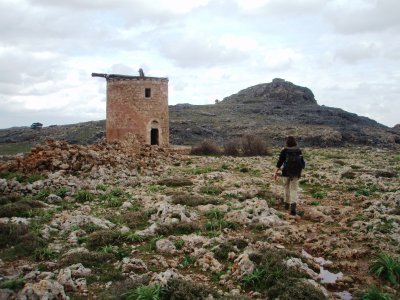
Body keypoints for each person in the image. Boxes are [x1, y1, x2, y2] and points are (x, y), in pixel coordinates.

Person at [273, 136, 305, 216]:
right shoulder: (298, 151)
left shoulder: (284, 151)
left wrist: (275, 173)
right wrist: (299, 172)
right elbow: (302, 163)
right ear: (295, 142)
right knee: (293, 189)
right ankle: (293, 207)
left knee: (286, 188)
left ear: (287, 142)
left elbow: (279, 162)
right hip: (295, 173)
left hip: (286, 173)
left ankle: (287, 204)